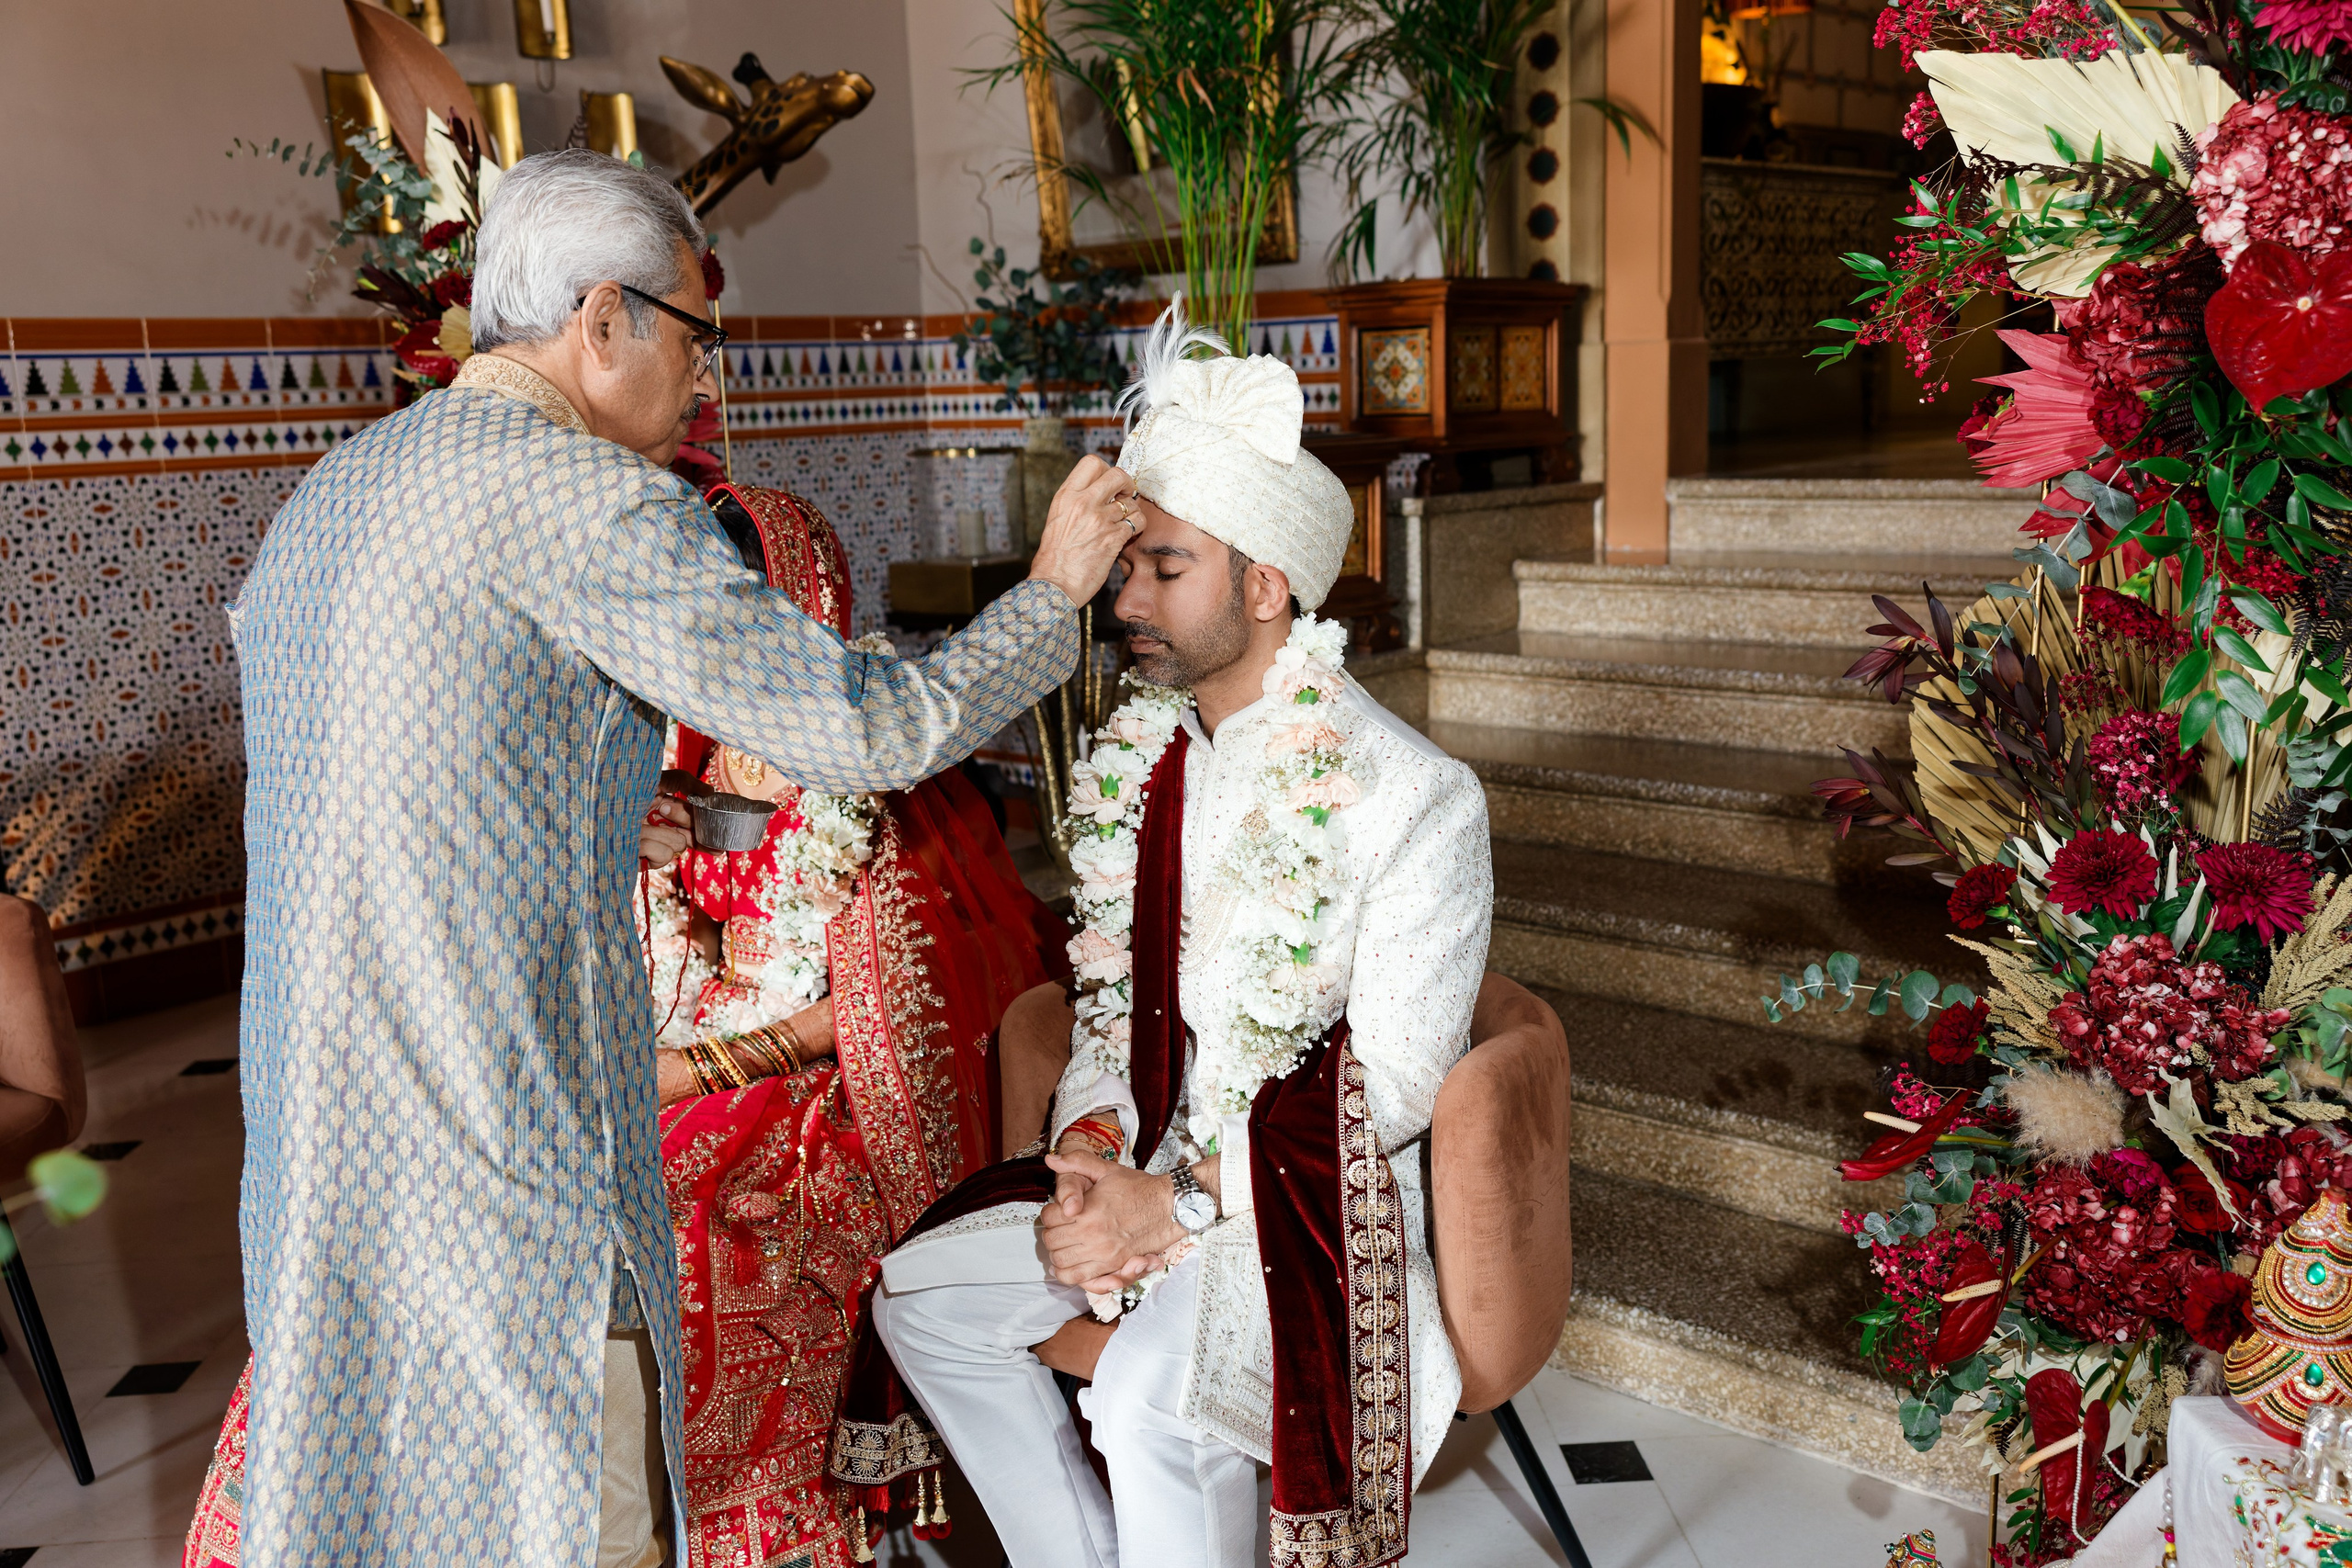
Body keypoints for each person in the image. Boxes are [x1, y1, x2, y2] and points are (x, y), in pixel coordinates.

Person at [198, 148, 1135, 1568]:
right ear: (602, 317)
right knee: (570, 1502)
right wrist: (1055, 593)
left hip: (319, 1120)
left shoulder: (344, 484)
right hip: (489, 1115)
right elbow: (868, 727)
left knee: (382, 1495)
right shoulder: (574, 492)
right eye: (697, 337)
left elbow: (390, 769)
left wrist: (586, 807)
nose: (706, 384)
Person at [843, 299, 1494, 1568]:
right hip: (1143, 1160)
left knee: (1143, 1395)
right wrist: (1092, 1148)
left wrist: (1176, 1201)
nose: (1124, 596)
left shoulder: (1415, 795)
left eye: (1163, 566)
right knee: (917, 1300)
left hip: (1300, 1211)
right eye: (1126, 564)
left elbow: (1402, 1083)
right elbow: (1112, 1011)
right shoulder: (1151, 756)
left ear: (1265, 585)